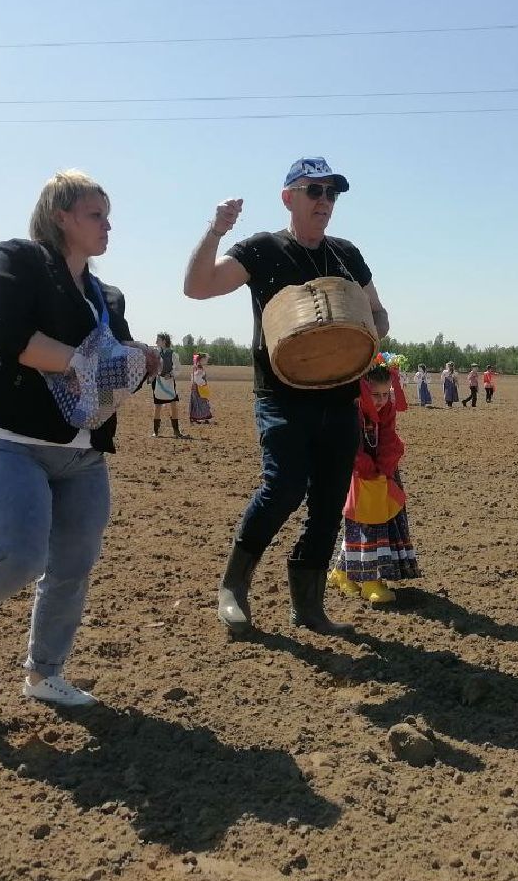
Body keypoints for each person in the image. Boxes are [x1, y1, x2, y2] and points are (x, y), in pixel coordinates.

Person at [0, 169, 158, 708]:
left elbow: (111, 367)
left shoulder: (107, 296)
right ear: (61, 216)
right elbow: (3, 332)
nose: (108, 225)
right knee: (18, 557)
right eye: (96, 214)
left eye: (108, 215)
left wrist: (140, 361)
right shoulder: (21, 261)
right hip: (8, 440)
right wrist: (79, 362)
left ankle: (44, 674)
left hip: (82, 454)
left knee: (73, 565)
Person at [183, 156, 390, 637]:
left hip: (340, 396)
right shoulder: (261, 250)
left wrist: (367, 332)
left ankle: (308, 605)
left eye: (331, 193)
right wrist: (214, 231)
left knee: (328, 501)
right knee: (283, 488)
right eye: (314, 191)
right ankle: (233, 586)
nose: (324, 201)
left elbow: (378, 312)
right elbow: (198, 287)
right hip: (280, 395)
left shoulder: (345, 255)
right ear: (288, 197)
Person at [329, 365, 421, 604]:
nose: (381, 400)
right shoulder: (351, 410)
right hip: (359, 474)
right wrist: (368, 470)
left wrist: (385, 466)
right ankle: (370, 580)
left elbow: (389, 436)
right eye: (375, 395)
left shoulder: (387, 408)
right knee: (367, 524)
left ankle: (341, 572)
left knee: (378, 521)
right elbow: (349, 445)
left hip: (383, 474)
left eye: (385, 394)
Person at [151, 332, 186, 438]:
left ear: (164, 341)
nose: (156, 342)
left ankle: (176, 431)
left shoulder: (173, 354)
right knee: (157, 406)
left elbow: (178, 368)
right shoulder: (155, 353)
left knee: (173, 406)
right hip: (158, 382)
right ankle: (156, 432)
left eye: (158, 340)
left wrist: (171, 374)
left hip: (169, 382)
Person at [189, 352, 213, 424]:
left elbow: (193, 378)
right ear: (201, 359)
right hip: (198, 388)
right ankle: (200, 417)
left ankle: (197, 417)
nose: (206, 361)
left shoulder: (197, 366)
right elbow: (197, 379)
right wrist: (203, 383)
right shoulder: (199, 368)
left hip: (195, 387)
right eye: (205, 360)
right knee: (200, 402)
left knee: (197, 402)